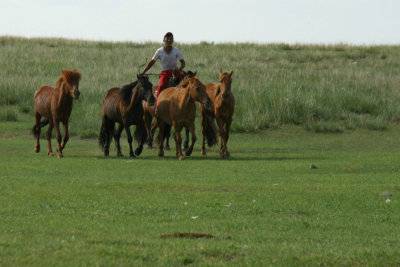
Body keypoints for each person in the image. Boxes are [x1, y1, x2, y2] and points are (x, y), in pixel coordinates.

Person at [140, 32, 186, 108]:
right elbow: (152, 62)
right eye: (167, 39)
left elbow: (183, 62)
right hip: (165, 73)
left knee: (184, 87)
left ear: (173, 41)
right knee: (161, 86)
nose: (169, 40)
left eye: (171, 39)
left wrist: (180, 69)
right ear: (164, 40)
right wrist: (143, 72)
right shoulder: (159, 51)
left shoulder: (176, 50)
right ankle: (157, 105)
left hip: (175, 72)